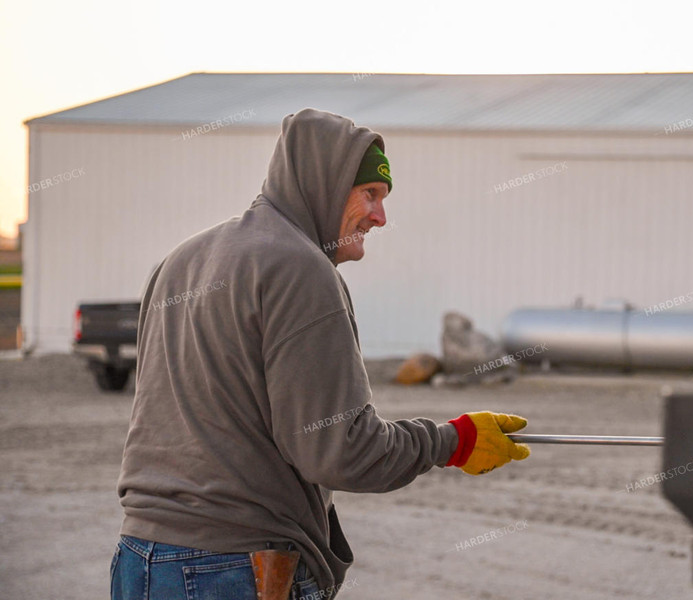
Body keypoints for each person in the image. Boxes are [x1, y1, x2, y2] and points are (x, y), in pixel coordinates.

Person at [110, 108, 531, 600]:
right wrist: (451, 441)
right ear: (325, 184)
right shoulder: (300, 268)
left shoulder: (177, 262)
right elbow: (341, 451)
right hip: (233, 567)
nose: (380, 217)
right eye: (369, 194)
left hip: (138, 558)